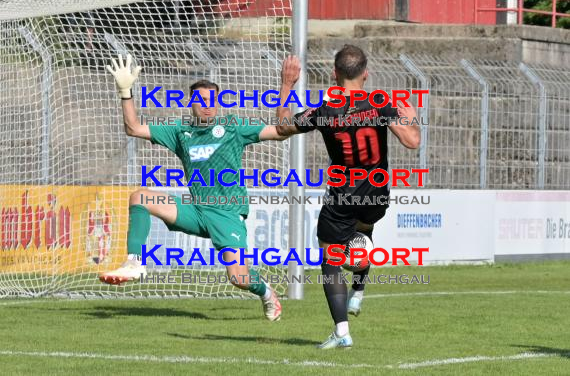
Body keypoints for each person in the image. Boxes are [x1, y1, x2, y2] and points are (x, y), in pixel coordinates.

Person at [101, 54, 289, 321]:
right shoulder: (180, 131)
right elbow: (133, 128)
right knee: (140, 197)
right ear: (191, 103)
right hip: (196, 211)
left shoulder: (233, 128)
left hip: (227, 215)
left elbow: (281, 131)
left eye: (212, 100)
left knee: (239, 278)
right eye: (201, 101)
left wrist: (286, 87)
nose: (207, 106)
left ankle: (267, 293)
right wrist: (125, 91)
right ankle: (134, 261)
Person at [275, 45, 421, 347]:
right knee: (364, 232)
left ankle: (341, 331)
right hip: (377, 193)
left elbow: (282, 126)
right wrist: (412, 118)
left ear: (334, 74)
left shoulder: (324, 111)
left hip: (343, 196)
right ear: (365, 74)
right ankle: (359, 292)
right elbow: (412, 141)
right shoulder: (380, 103)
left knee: (330, 258)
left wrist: (287, 85)